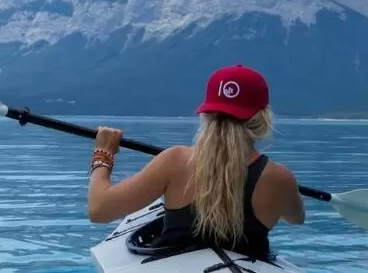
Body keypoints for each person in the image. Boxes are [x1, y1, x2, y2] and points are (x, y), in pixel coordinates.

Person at [87, 64, 305, 259]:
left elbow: (99, 210)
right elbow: (296, 219)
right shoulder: (280, 178)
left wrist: (103, 154)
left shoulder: (176, 161)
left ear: (206, 115)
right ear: (262, 119)